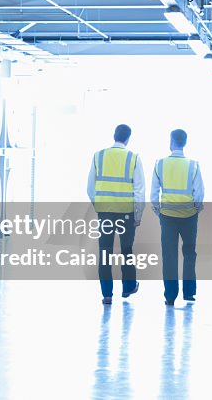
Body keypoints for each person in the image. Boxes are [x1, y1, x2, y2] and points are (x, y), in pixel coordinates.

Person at [87, 124, 145, 305]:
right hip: (126, 213)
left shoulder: (99, 156)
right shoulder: (133, 158)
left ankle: (107, 294)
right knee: (126, 251)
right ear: (128, 138)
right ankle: (128, 288)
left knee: (105, 252)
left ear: (114, 135)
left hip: (105, 212)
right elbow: (139, 190)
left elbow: (90, 188)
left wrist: (100, 207)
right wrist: (138, 215)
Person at [151, 129, 205, 306]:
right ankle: (189, 293)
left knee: (169, 255)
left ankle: (170, 296)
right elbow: (199, 192)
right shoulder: (193, 165)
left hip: (167, 216)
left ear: (172, 142)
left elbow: (154, 193)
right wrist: (196, 207)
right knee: (189, 253)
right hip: (189, 216)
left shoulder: (160, 164)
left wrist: (158, 210)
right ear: (185, 143)